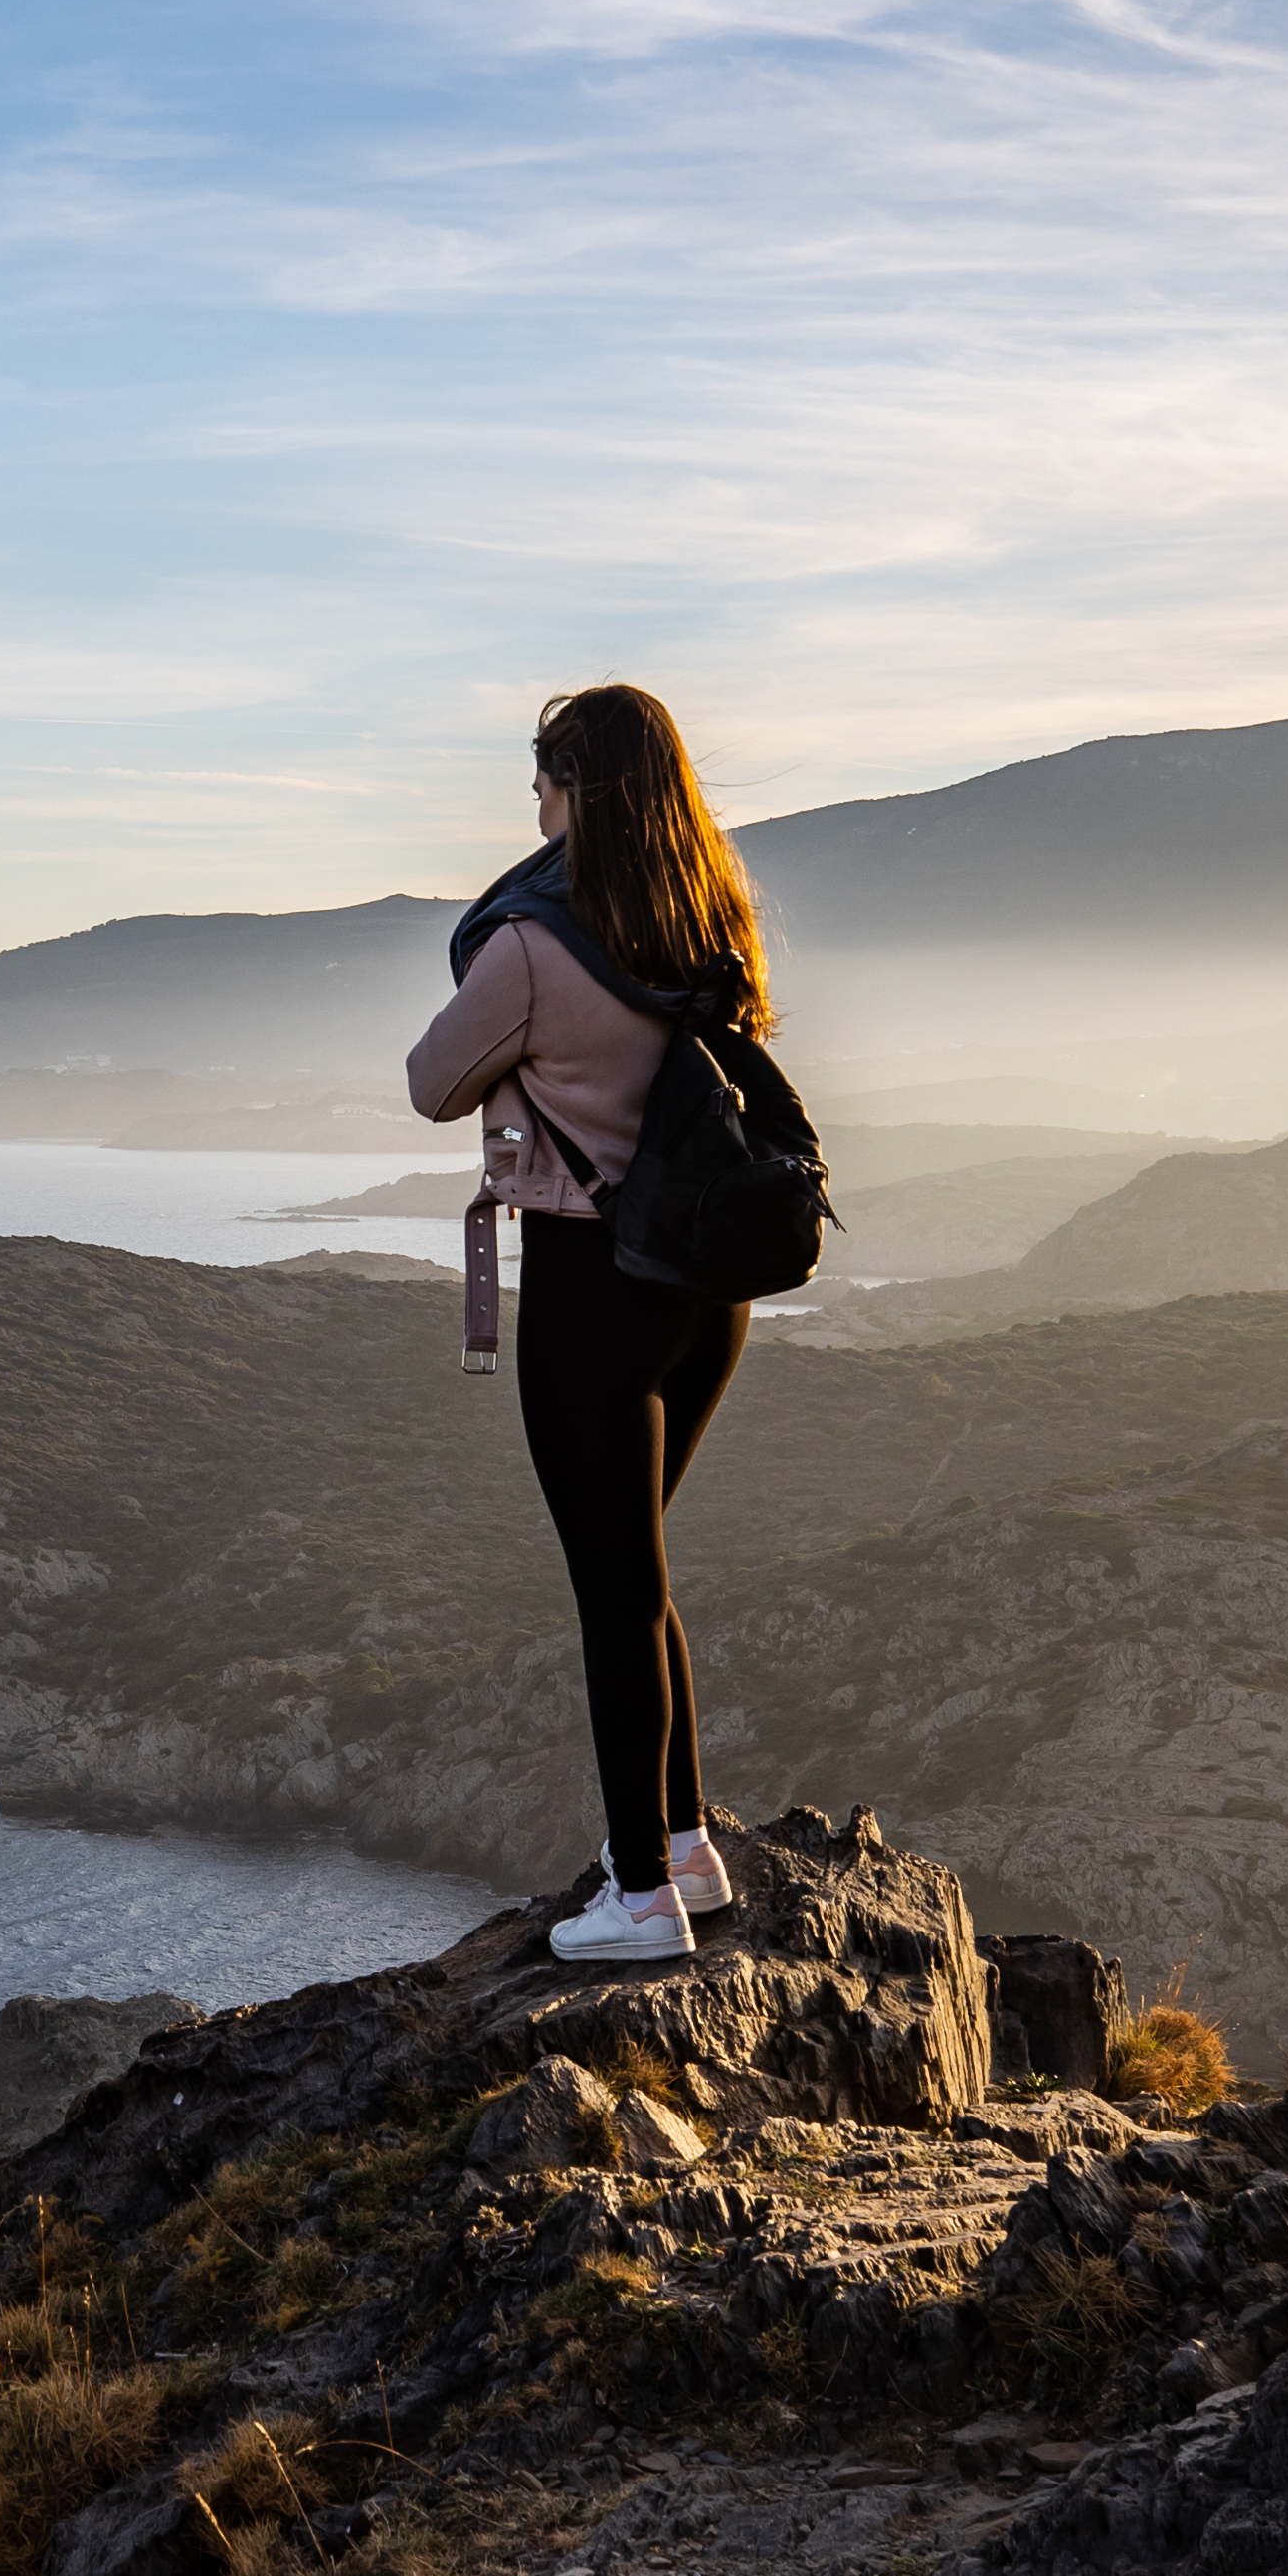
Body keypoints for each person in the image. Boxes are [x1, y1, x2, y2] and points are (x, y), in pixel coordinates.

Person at [406, 681, 780, 1965]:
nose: (536, 810)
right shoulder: (707, 920)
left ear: (577, 796)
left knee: (612, 1596)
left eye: (546, 789)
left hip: (591, 1285)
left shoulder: (530, 947)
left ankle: (640, 1897)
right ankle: (684, 1844)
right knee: (645, 1579)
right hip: (705, 1291)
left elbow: (427, 1083)